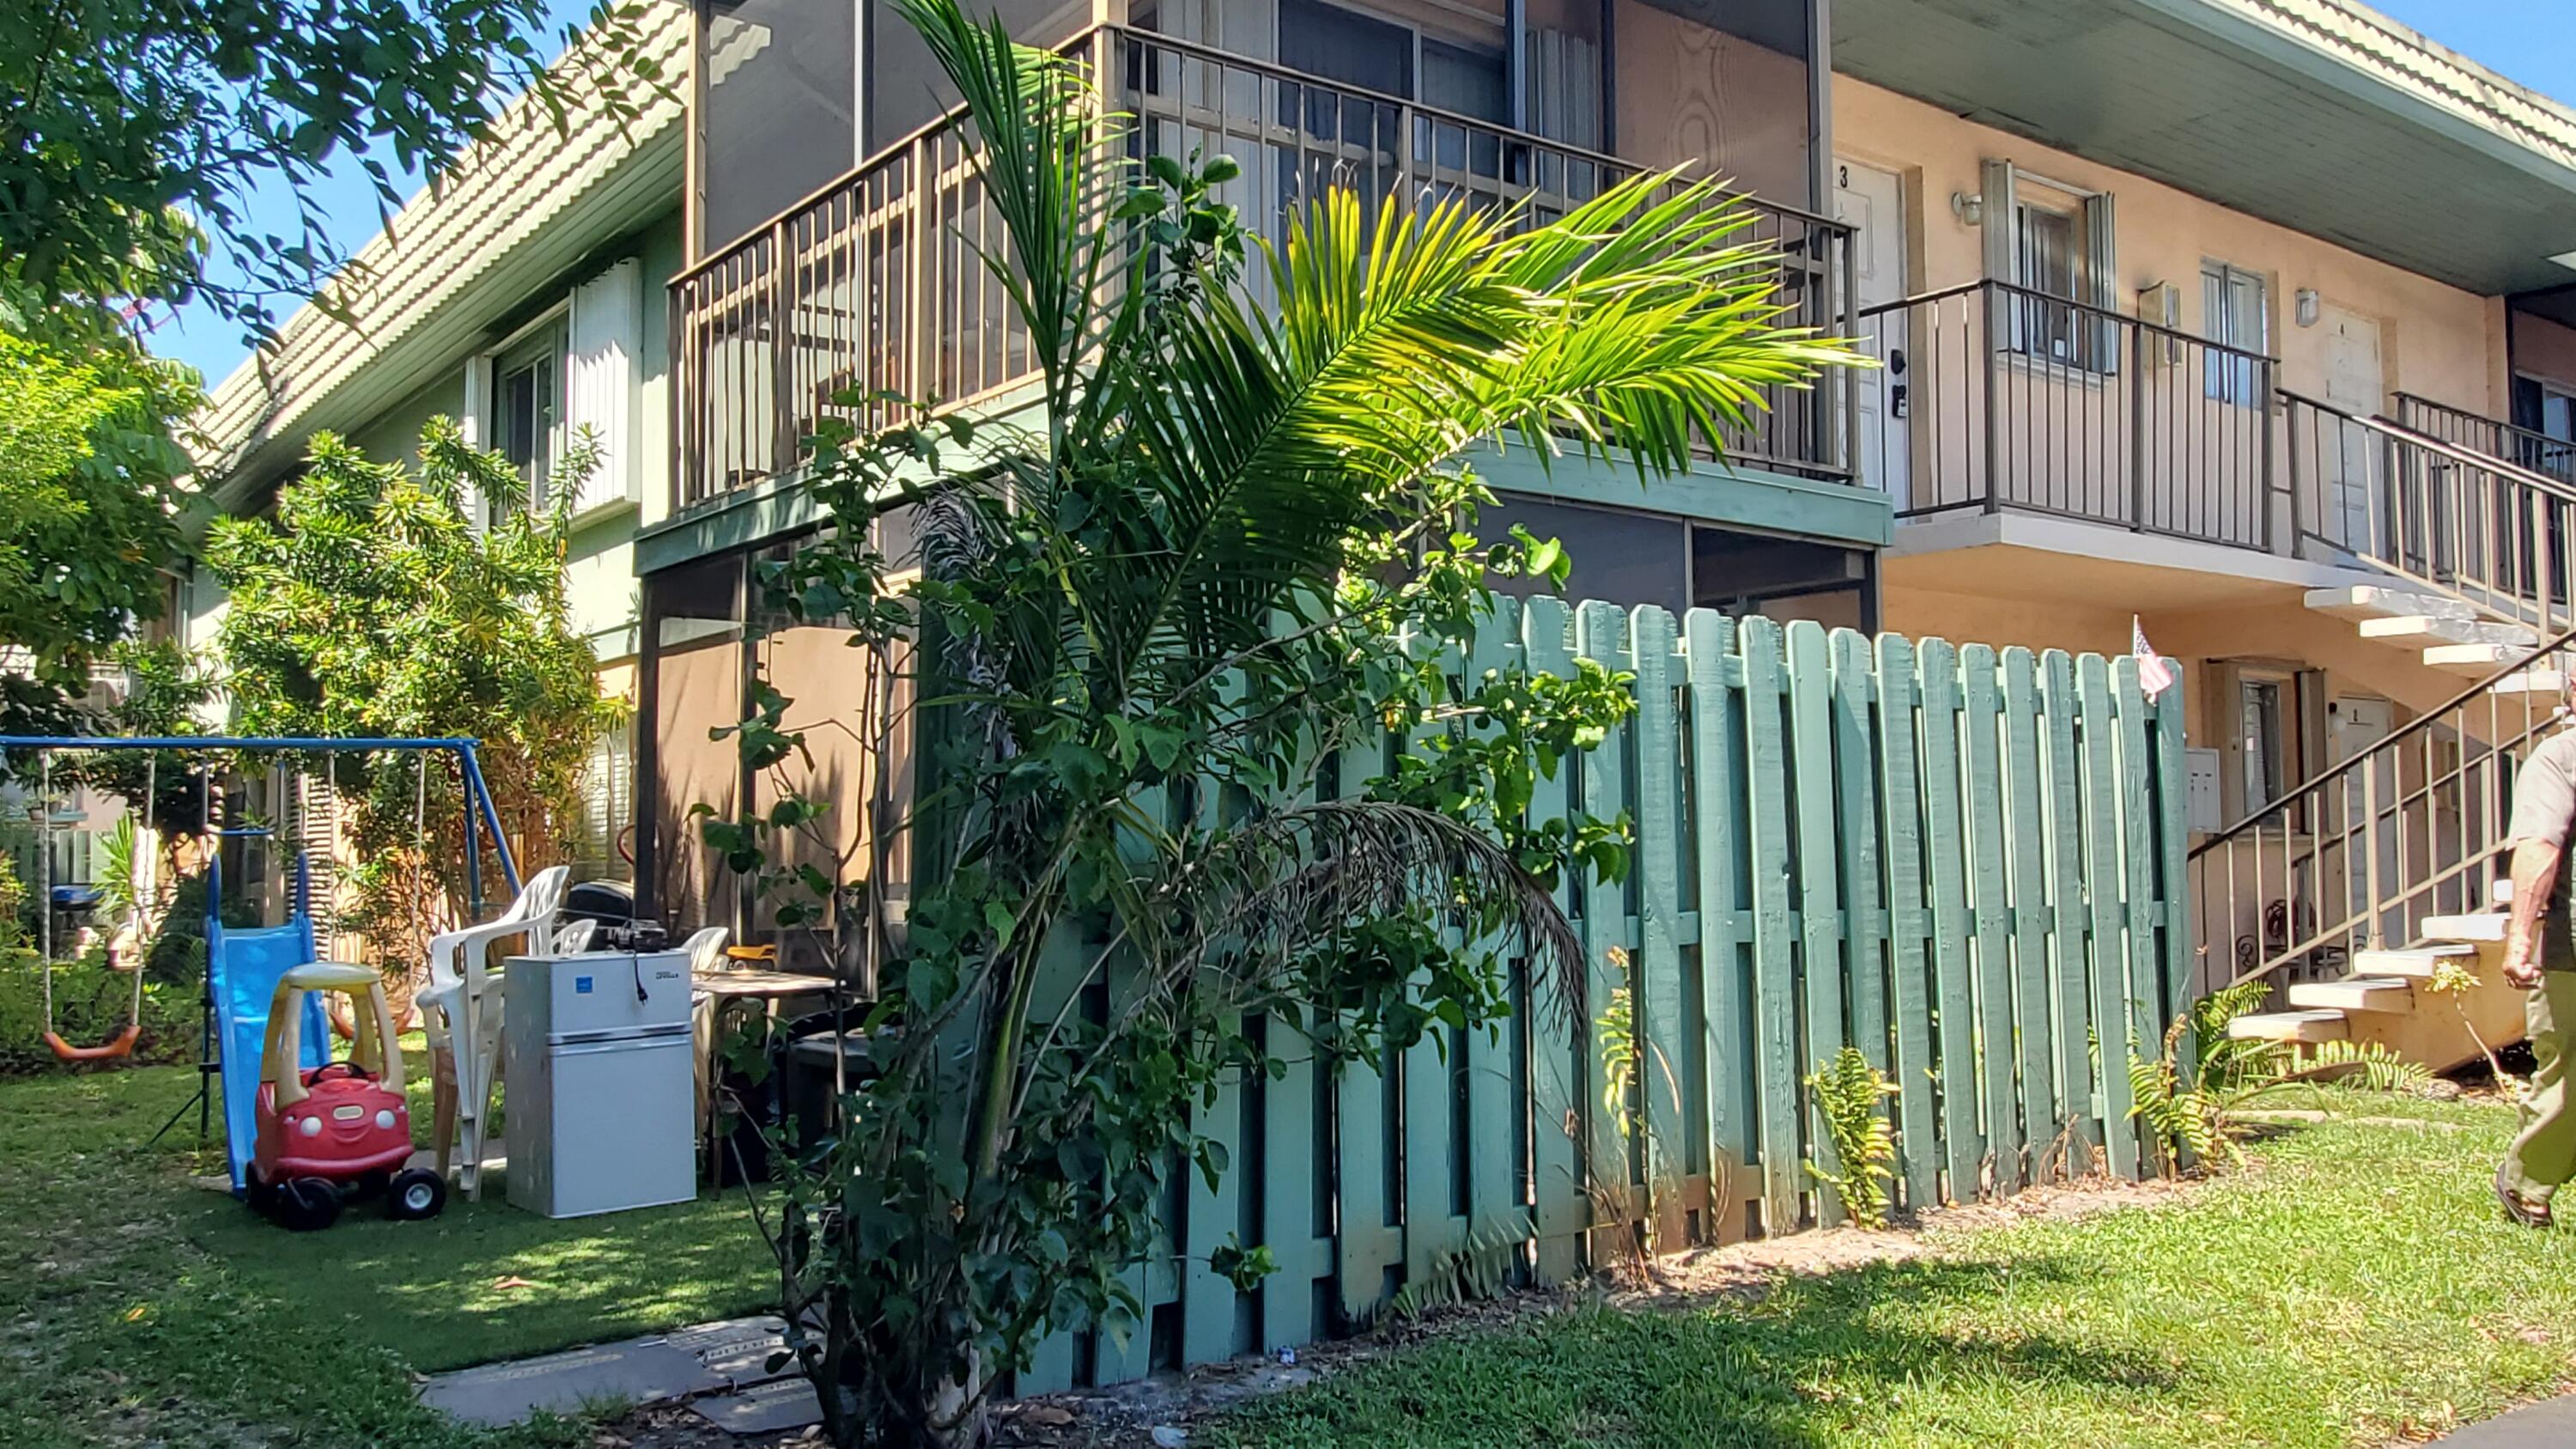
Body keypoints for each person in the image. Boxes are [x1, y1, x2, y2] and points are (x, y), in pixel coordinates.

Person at [2497, 693, 2576, 1227]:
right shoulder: (2562, 757)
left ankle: (2529, 1185)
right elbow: (2540, 849)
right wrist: (2523, 936)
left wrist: (2519, 938)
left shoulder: (2558, 756)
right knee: (2569, 1071)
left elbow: (2539, 847)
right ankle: (2528, 1182)